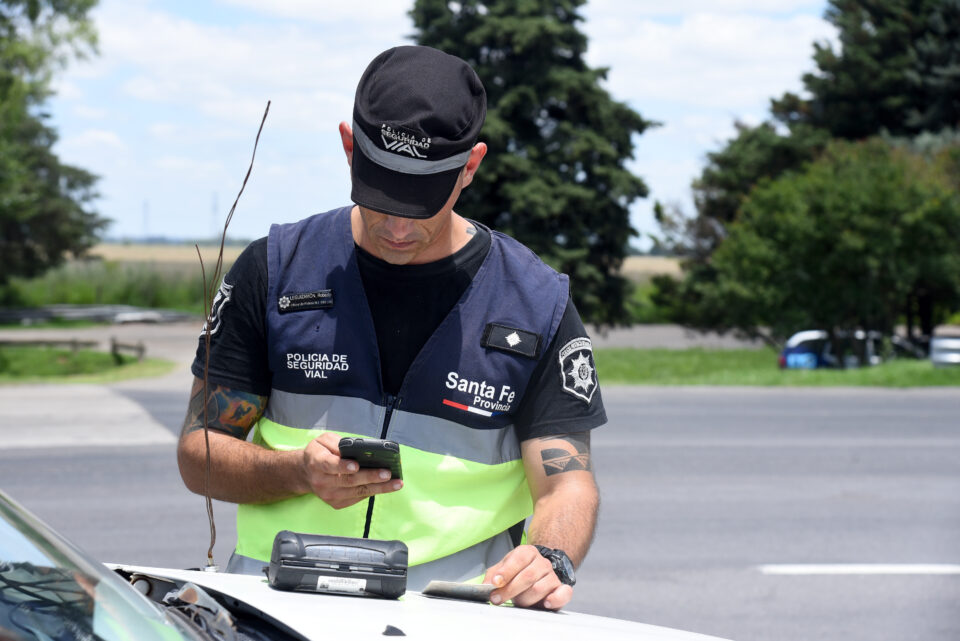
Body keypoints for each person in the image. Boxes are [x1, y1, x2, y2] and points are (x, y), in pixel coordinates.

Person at [177, 45, 605, 611]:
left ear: (470, 166)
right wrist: (298, 472)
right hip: (277, 607)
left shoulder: (536, 302)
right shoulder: (275, 269)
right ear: (349, 148)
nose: (398, 226)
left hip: (454, 615)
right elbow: (199, 453)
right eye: (381, 195)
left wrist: (549, 557)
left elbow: (566, 481)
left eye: (421, 201)